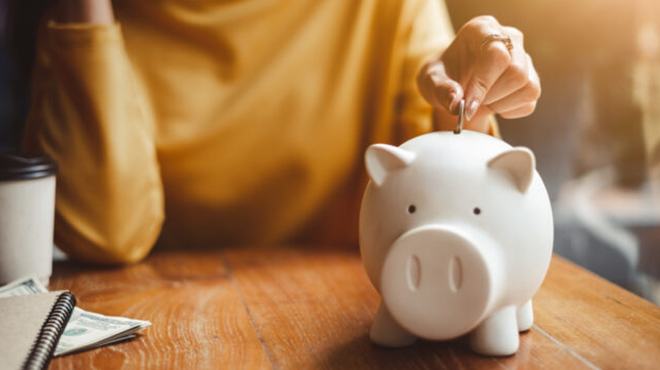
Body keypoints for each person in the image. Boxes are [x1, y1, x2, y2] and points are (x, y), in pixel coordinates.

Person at [11, 0, 540, 264]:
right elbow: (103, 233)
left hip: (347, 308)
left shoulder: (383, 9)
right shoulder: (101, 20)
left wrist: (464, 95)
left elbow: (448, 192)